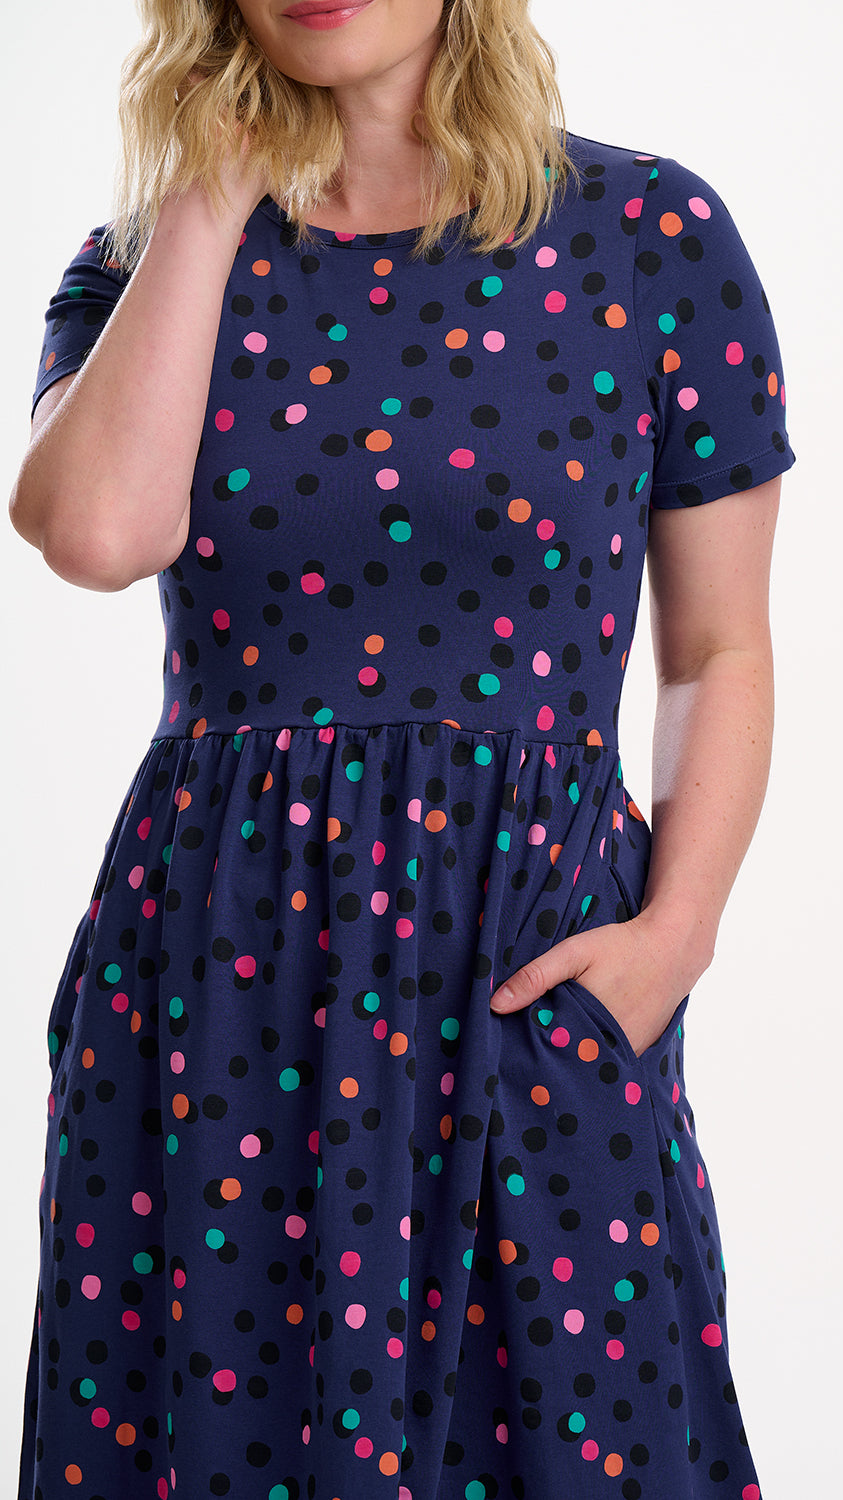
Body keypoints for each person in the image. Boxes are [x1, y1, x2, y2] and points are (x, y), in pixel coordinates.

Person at [9, 0, 795, 1494]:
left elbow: (720, 649)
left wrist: (676, 935)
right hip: (218, 984)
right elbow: (102, 534)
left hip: (531, 957)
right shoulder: (137, 263)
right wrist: (204, 191)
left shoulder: (649, 235)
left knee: (587, 1437)